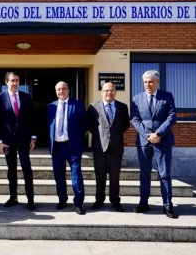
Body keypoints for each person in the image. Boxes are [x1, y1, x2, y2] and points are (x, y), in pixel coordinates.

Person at [131, 70, 177, 219]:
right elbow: (135, 119)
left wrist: (158, 134)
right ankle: (143, 202)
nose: (148, 84)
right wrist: (148, 135)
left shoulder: (167, 96)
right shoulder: (137, 99)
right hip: (144, 142)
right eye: (145, 82)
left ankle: (167, 205)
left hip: (162, 140)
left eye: (150, 81)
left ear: (157, 82)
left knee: (164, 174)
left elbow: (171, 117)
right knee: (144, 174)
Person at [0, 71, 36, 210]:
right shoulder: (0, 98)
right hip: (8, 140)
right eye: (12, 80)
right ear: (7, 82)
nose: (15, 83)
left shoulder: (26, 97)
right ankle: (13, 197)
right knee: (11, 170)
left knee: (26, 169)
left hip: (24, 139)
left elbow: (32, 119)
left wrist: (33, 137)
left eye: (17, 80)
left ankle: (30, 199)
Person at [87, 82, 130, 212]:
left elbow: (126, 125)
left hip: (116, 148)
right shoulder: (93, 107)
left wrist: (114, 135)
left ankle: (115, 201)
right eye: (106, 90)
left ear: (115, 92)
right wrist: (102, 136)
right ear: (102, 92)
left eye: (111, 90)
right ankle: (99, 200)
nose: (109, 93)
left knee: (115, 177)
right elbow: (90, 126)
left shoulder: (122, 107)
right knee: (100, 176)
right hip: (100, 147)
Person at [47, 81, 87, 215]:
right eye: (58, 89)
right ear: (55, 91)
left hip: (72, 146)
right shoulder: (51, 106)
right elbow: (49, 125)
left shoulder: (77, 105)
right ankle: (62, 200)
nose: (61, 91)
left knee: (76, 175)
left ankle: (79, 203)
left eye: (63, 89)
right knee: (59, 175)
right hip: (57, 146)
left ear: (68, 90)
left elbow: (84, 125)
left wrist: (76, 138)